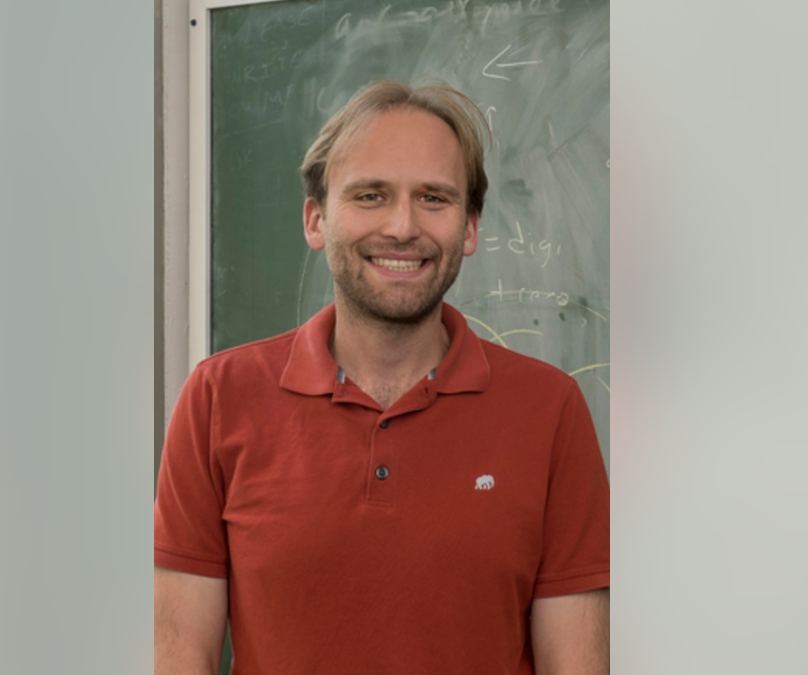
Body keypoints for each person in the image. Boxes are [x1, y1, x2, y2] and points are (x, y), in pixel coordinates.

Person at [154, 80, 609, 675]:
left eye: (434, 198)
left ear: (470, 228)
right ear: (316, 220)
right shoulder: (218, 398)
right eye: (370, 195)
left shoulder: (550, 411)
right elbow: (179, 652)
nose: (402, 227)